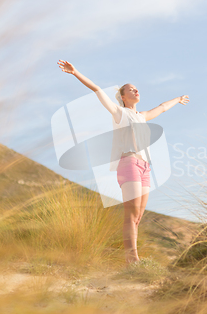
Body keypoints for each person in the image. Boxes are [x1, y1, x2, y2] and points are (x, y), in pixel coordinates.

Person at [57, 60, 190, 265]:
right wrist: (75, 72)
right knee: (132, 212)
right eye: (131, 89)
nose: (136, 90)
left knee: (138, 216)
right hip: (128, 163)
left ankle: (133, 257)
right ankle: (132, 257)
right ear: (123, 96)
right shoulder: (119, 113)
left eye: (137, 88)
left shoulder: (142, 116)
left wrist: (178, 99)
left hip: (145, 167)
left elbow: (162, 108)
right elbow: (97, 89)